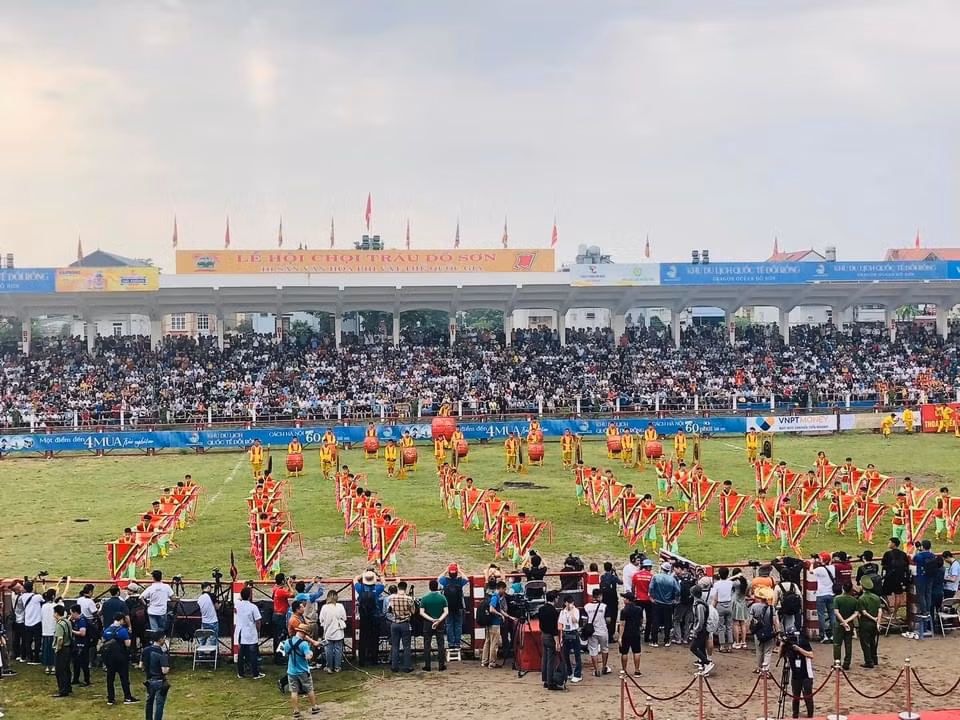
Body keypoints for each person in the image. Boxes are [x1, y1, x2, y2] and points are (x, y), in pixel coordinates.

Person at [281, 626, 321, 718]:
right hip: (303, 671)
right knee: (309, 689)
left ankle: (296, 710)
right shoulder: (304, 644)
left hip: (291, 671)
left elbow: (286, 653)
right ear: (303, 633)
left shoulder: (287, 642)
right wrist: (311, 653)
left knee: (294, 691)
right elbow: (308, 657)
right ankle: (314, 707)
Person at [101, 613, 138, 705]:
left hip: (109, 658)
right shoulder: (123, 631)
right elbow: (128, 644)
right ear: (121, 620)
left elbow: (103, 641)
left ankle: (111, 698)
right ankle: (127, 697)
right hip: (121, 657)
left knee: (110, 679)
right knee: (124, 678)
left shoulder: (107, 630)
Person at [353, 569, 385, 666]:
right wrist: (378, 575)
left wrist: (363, 573)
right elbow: (383, 581)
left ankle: (362, 660)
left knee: (363, 639)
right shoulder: (377, 589)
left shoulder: (360, 588)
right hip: (375, 617)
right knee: (374, 639)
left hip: (364, 617)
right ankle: (374, 660)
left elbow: (355, 579)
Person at [779, 632, 815, 718]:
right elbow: (780, 656)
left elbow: (811, 655)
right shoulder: (788, 646)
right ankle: (795, 715)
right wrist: (781, 646)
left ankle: (810, 715)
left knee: (808, 697)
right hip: (795, 675)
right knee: (795, 696)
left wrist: (799, 649)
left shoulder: (804, 642)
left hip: (806, 674)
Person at [234, 586, 264, 679]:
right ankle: (255, 673)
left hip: (240, 631)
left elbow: (238, 599)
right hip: (250, 632)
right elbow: (258, 621)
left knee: (241, 654)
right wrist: (258, 630)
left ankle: (241, 673)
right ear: (250, 596)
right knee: (253, 654)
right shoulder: (253, 607)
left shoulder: (238, 604)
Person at [139, 630, 170, 720]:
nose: (165, 640)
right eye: (164, 638)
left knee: (149, 702)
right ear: (160, 639)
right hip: (159, 681)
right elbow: (164, 671)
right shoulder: (161, 653)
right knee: (159, 704)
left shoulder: (145, 650)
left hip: (149, 681)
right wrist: (168, 668)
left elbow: (141, 665)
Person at [419, 579, 449, 671]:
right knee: (440, 644)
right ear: (437, 587)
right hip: (440, 623)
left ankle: (427, 665)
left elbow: (421, 612)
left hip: (428, 623)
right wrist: (439, 620)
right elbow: (446, 612)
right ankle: (441, 665)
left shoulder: (425, 598)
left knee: (427, 644)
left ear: (429, 587)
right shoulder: (442, 598)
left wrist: (432, 619)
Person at [648, 562, 680, 648]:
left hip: (657, 602)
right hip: (668, 604)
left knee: (655, 621)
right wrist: (674, 599)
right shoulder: (672, 579)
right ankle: (666, 640)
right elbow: (677, 590)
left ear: (662, 568)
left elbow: (651, 588)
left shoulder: (656, 577)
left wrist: (652, 597)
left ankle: (654, 641)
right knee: (667, 622)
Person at [438, 563, 469, 652]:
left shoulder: (445, 581)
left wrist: (445, 570)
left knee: (449, 625)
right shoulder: (460, 581)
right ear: (456, 573)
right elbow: (466, 579)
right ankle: (457, 643)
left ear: (449, 573)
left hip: (448, 607)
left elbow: (439, 578)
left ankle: (451, 643)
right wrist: (460, 570)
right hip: (458, 606)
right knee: (458, 625)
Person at [749, 586, 780, 674]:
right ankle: (765, 669)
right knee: (767, 651)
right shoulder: (771, 608)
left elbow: (750, 619)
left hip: (758, 631)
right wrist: (777, 631)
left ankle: (759, 667)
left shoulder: (754, 606)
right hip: (769, 631)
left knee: (759, 651)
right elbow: (775, 621)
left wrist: (751, 629)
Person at [387, 580, 414, 673]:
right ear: (405, 588)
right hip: (405, 623)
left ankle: (394, 666)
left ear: (398, 588)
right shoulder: (409, 599)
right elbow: (413, 611)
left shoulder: (392, 599)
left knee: (395, 645)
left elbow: (389, 610)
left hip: (394, 623)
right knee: (406, 646)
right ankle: (407, 666)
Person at [482, 581, 511, 668]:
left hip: (489, 622)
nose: (504, 591)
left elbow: (498, 609)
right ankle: (492, 662)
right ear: (501, 588)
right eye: (504, 589)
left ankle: (484, 661)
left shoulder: (493, 596)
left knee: (487, 642)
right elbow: (492, 609)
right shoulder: (496, 596)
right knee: (494, 643)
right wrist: (500, 615)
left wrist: (507, 616)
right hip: (495, 623)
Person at [881, 537, 910, 622]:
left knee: (882, 594)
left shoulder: (887, 554)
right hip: (900, 578)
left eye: (889, 542)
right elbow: (906, 566)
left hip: (889, 578)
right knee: (898, 596)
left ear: (893, 544)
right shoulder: (903, 554)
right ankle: (894, 613)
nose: (888, 544)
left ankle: (888, 610)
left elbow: (884, 565)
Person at [912, 539, 936, 639]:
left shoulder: (919, 555)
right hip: (930, 577)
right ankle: (928, 610)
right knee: (928, 594)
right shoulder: (932, 555)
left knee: (921, 595)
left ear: (922, 546)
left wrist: (916, 549)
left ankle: (924, 611)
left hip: (921, 578)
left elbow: (913, 558)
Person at [583, 588, 610, 676]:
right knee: (604, 649)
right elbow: (608, 620)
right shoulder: (604, 606)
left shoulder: (586, 607)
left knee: (593, 650)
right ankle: (604, 667)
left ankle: (596, 670)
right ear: (600, 596)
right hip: (603, 631)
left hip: (591, 632)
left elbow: (584, 621)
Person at [318, 591, 347, 672]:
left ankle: (329, 667)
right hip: (338, 631)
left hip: (328, 631)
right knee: (338, 650)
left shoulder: (324, 607)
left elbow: (321, 619)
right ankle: (337, 667)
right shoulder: (340, 606)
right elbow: (344, 618)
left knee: (328, 650)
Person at [857, 577, 883, 668]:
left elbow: (864, 612)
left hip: (865, 623)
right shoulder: (876, 597)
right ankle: (874, 659)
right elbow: (880, 611)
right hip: (874, 624)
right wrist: (878, 622)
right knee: (873, 641)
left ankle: (868, 661)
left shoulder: (861, 599)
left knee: (865, 643)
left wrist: (873, 618)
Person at [832, 582, 858, 670]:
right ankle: (847, 663)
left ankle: (837, 662)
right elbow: (856, 613)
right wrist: (847, 621)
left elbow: (836, 612)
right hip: (850, 624)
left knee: (837, 644)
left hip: (839, 624)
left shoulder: (837, 598)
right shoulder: (854, 600)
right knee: (848, 644)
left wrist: (843, 621)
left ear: (843, 588)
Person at [538, 590, 561, 688]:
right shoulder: (553, 611)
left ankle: (545, 679)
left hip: (543, 634)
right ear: (554, 599)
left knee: (545, 658)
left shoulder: (541, 609)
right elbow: (554, 628)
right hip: (550, 636)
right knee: (551, 659)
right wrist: (557, 642)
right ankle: (550, 681)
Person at [689, 585, 714, 676]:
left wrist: (695, 630)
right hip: (702, 629)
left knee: (693, 648)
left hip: (701, 630)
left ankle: (707, 662)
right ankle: (705, 666)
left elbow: (700, 620)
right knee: (701, 647)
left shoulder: (699, 605)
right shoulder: (700, 603)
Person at [558, 594, 583, 683]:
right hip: (566, 633)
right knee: (565, 654)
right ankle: (569, 672)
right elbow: (560, 624)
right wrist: (560, 637)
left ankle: (577, 674)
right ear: (565, 603)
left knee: (577, 654)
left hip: (573, 632)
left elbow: (575, 621)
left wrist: (571, 612)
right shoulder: (562, 612)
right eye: (568, 603)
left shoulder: (576, 610)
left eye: (571, 602)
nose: (570, 604)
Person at [812, 553, 835, 643]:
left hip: (821, 595)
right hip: (831, 594)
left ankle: (823, 636)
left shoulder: (819, 569)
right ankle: (833, 635)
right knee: (832, 615)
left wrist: (813, 562)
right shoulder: (833, 567)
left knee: (821, 615)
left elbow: (811, 571)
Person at [271, 573, 295, 661]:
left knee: (277, 637)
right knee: (281, 637)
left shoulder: (276, 588)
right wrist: (289, 584)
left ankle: (278, 656)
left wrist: (289, 585)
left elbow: (286, 593)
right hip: (280, 616)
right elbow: (292, 594)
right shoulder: (280, 591)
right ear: (282, 581)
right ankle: (279, 658)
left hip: (276, 615)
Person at [710, 567, 734, 653]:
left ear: (719, 574)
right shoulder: (730, 583)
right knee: (729, 626)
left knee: (721, 627)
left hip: (720, 605)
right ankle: (730, 645)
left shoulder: (717, 584)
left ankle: (722, 646)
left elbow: (714, 596)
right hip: (729, 604)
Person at [18, 581, 42, 665]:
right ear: (32, 588)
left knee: (28, 641)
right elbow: (42, 599)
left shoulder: (23, 597)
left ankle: (30, 657)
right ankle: (36, 658)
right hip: (37, 622)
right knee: (37, 641)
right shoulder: (37, 597)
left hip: (27, 622)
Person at [51, 605, 72, 697]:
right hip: (68, 647)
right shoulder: (67, 621)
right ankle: (68, 687)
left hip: (62, 649)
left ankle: (63, 690)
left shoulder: (59, 624)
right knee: (66, 669)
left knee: (60, 671)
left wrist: (57, 648)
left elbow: (60, 639)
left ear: (56, 613)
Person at [632, 558, 654, 643]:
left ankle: (636, 635)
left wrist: (633, 597)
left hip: (638, 599)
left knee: (637, 618)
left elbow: (633, 587)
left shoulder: (636, 575)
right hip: (648, 599)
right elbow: (652, 589)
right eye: (650, 567)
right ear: (647, 567)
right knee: (649, 619)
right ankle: (646, 637)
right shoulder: (651, 576)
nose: (651, 568)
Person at [68, 604, 90, 687]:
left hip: (83, 644)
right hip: (77, 644)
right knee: (76, 662)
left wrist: (72, 631)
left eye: (71, 613)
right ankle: (75, 679)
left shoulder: (82, 621)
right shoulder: (76, 620)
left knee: (84, 663)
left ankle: (86, 680)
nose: (71, 615)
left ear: (75, 612)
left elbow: (82, 633)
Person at [599, 562, 622, 638]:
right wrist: (615, 573)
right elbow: (620, 582)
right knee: (613, 617)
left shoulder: (602, 577)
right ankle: (611, 635)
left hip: (605, 599)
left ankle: (605, 633)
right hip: (613, 599)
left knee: (605, 616)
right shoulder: (613, 577)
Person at [730, 569, 749, 650]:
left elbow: (726, 581)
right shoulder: (746, 582)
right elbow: (747, 593)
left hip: (735, 602)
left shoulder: (735, 583)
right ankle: (743, 642)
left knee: (735, 624)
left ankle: (737, 642)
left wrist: (734, 577)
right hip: (743, 602)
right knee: (743, 623)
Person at [197, 582, 219, 647]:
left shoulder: (200, 598)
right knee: (213, 641)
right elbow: (217, 607)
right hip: (213, 622)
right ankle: (213, 652)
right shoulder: (212, 596)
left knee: (202, 641)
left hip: (204, 622)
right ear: (208, 587)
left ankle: (200, 652)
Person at [40, 589, 57, 675]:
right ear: (53, 596)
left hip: (45, 630)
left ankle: (47, 666)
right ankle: (53, 666)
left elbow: (41, 617)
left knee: (46, 649)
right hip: (53, 630)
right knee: (53, 649)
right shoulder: (56, 606)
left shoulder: (43, 606)